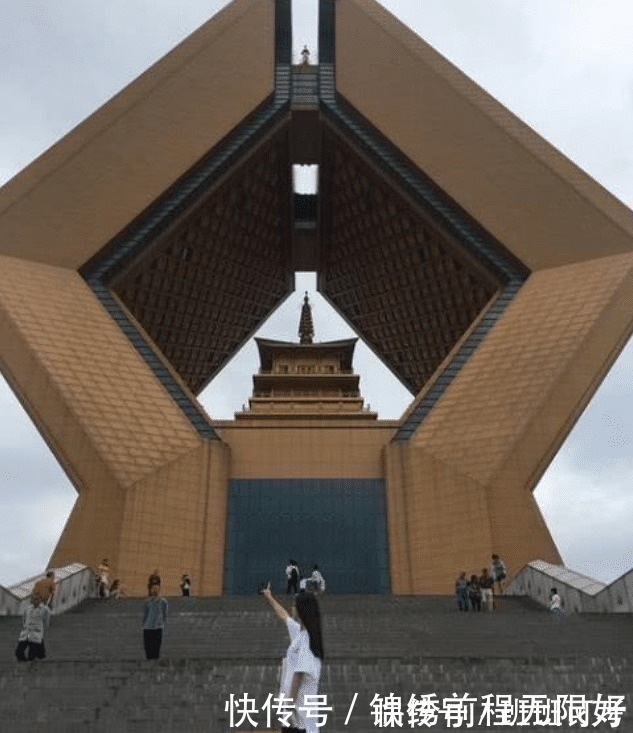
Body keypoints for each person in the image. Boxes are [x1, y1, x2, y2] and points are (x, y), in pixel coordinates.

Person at [261, 583, 323, 733]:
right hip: (293, 718)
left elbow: (298, 676)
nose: (292, 608)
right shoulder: (300, 633)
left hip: (300, 720)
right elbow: (283, 615)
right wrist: (269, 596)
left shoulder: (308, 639)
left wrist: (288, 710)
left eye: (295, 606)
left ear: (303, 611)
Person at [15, 594, 51, 661]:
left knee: (32, 654)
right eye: (33, 599)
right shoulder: (28, 608)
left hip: (36, 632)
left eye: (37, 599)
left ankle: (31, 665)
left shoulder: (45, 609)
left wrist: (42, 629)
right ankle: (24, 661)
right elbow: (24, 619)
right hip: (26, 632)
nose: (35, 600)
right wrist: (25, 626)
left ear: (40, 600)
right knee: (19, 651)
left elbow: (46, 621)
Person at [142, 583, 168, 660]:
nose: (154, 590)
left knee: (156, 646)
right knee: (147, 646)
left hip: (158, 627)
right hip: (147, 627)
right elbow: (145, 614)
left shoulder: (163, 601)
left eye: (156, 588)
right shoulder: (147, 602)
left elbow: (165, 613)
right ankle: (148, 660)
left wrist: (163, 623)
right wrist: (143, 624)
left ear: (159, 589)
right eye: (153, 588)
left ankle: (155, 662)